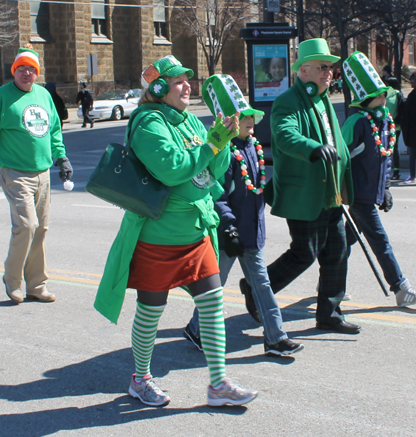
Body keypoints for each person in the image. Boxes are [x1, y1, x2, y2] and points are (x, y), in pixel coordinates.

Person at [93, 56, 257, 407]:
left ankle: (218, 383)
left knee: (212, 304)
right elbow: (172, 169)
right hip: (159, 235)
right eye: (178, 81)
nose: (187, 86)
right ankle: (140, 380)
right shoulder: (147, 122)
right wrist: (212, 144)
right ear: (158, 88)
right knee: (151, 313)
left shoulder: (190, 121)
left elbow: (213, 171)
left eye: (187, 79)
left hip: (196, 231)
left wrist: (221, 142)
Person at [240, 38, 360, 335]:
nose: (328, 72)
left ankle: (329, 313)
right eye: (322, 67)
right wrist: (313, 148)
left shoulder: (322, 100)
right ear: (303, 70)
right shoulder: (287, 101)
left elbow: (336, 142)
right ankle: (255, 287)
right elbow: (284, 135)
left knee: (337, 252)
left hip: (331, 193)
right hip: (304, 193)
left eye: (330, 67)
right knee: (304, 253)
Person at [183, 74, 303, 356]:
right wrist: (229, 226)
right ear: (228, 122)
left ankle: (275, 338)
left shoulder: (254, 147)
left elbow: (257, 189)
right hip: (230, 234)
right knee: (216, 287)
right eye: (242, 116)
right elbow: (218, 194)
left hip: (251, 233)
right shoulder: (225, 153)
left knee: (262, 284)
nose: (250, 120)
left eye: (250, 115)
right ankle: (195, 328)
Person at [0, 44, 73, 304]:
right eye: (21, 69)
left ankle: (37, 285)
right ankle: (12, 280)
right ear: (14, 71)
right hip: (16, 173)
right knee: (26, 226)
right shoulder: (0, 97)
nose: (26, 73)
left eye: (31, 69)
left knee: (41, 229)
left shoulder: (42, 95)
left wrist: (61, 157)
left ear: (37, 73)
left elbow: (53, 131)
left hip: (44, 172)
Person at [341, 51, 416, 307]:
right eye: (382, 94)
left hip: (371, 193)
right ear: (369, 98)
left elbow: (385, 160)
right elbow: (340, 157)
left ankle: (331, 282)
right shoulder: (356, 123)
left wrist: (386, 189)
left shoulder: (384, 122)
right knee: (380, 241)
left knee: (346, 240)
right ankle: (401, 288)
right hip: (358, 194)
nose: (386, 97)